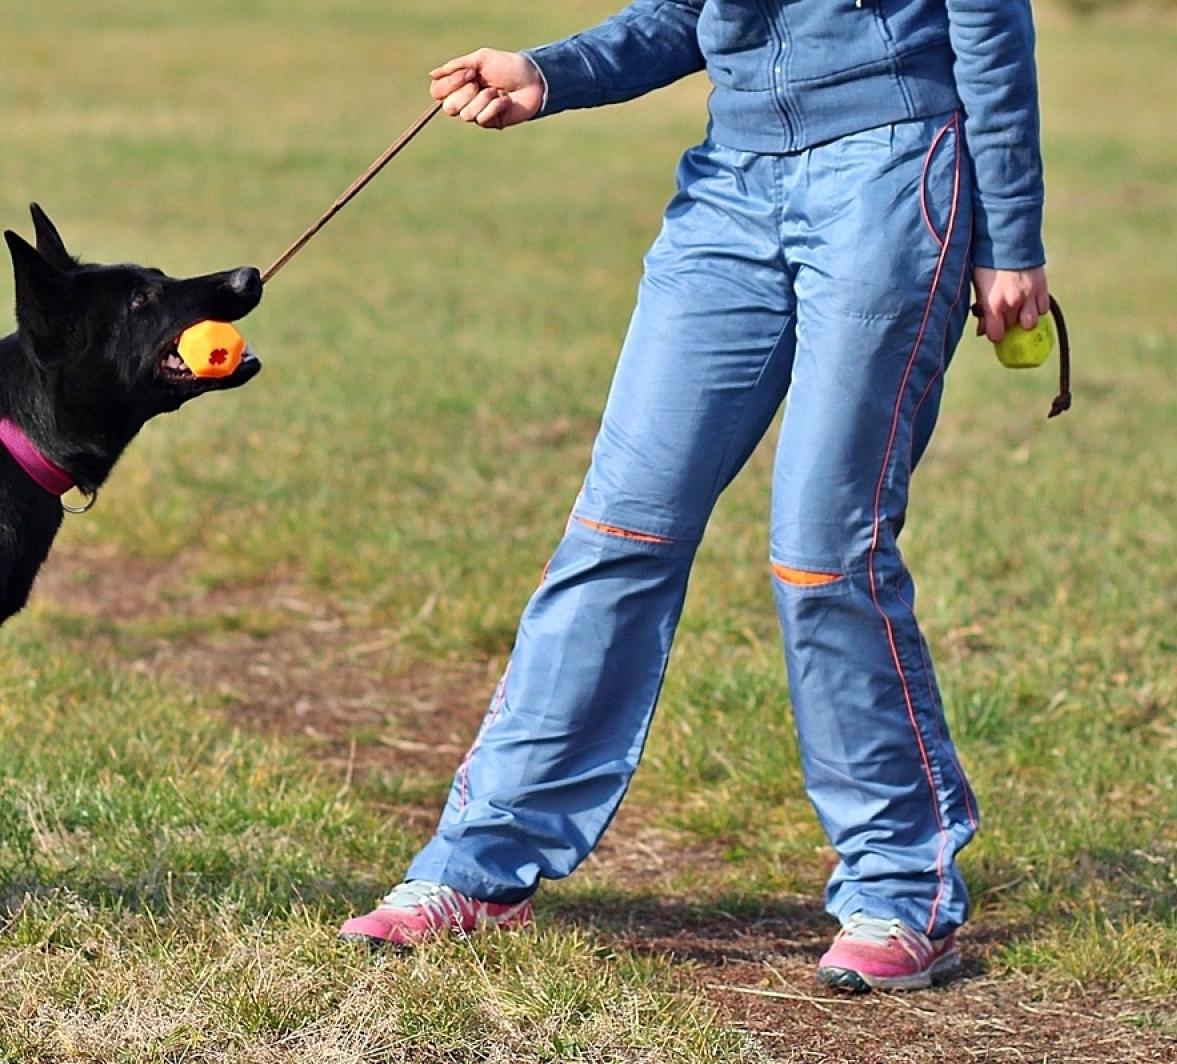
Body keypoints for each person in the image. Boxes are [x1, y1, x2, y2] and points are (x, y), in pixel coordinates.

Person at [336, 0, 1050, 993]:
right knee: (615, 527)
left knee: (823, 552)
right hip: (732, 185)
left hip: (891, 174)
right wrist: (550, 73)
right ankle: (476, 864)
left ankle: (897, 887)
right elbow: (688, 12)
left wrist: (1007, 235)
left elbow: (988, 29)